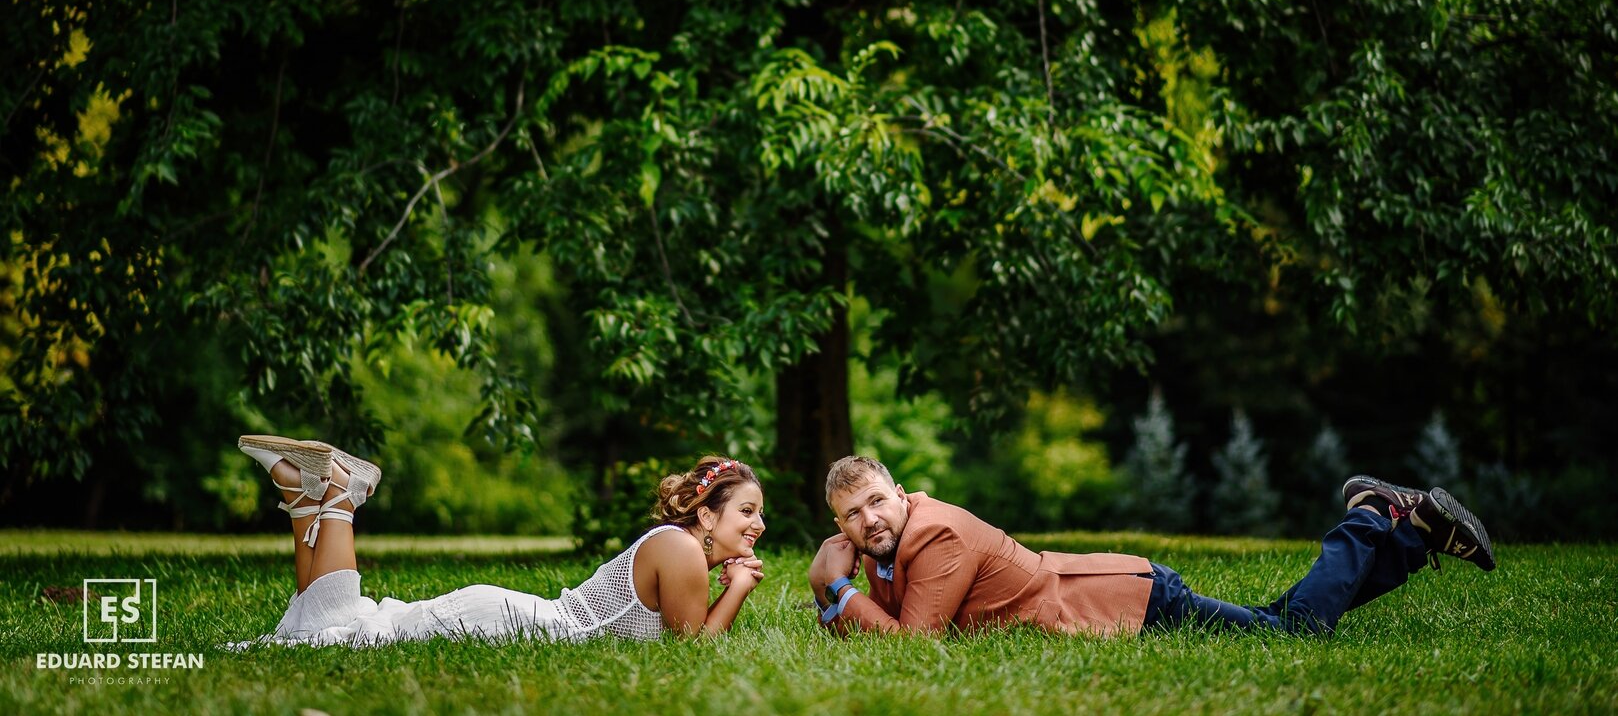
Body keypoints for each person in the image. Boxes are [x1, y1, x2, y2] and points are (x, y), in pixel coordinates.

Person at [807, 455, 1493, 637]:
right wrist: (834, 599)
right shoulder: (885, 546)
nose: (868, 519)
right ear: (842, 527)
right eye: (851, 515)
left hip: (1127, 604)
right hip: (1124, 592)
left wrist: (835, 590)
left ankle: (1372, 514)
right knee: (1283, 620)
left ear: (900, 491)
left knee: (1292, 635)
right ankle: (1410, 538)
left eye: (875, 500)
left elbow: (913, 643)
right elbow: (885, 627)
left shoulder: (937, 532)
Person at [235, 435, 766, 645]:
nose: (758, 525)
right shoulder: (678, 550)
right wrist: (738, 585)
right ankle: (342, 498)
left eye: (760, 514)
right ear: (705, 512)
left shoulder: (678, 549)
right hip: (518, 622)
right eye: (746, 510)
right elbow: (694, 645)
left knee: (339, 629)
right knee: (339, 634)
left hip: (511, 613)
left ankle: (308, 496)